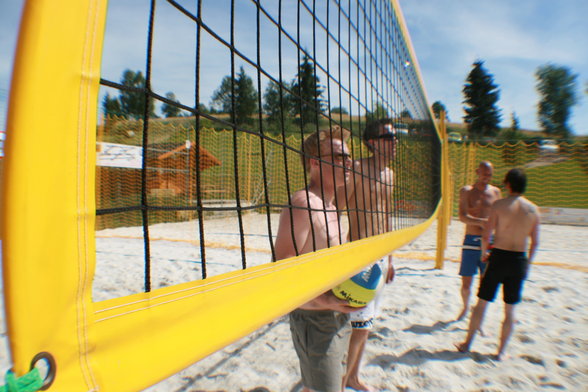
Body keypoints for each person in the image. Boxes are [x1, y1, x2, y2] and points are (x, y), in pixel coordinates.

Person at [275, 126, 357, 392]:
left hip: (335, 314)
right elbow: (282, 274)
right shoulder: (302, 203)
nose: (348, 162)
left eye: (348, 156)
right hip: (315, 318)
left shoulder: (331, 205)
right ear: (314, 163)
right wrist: (326, 301)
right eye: (338, 157)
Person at [337, 119, 397, 392]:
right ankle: (342, 378)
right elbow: (336, 210)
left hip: (380, 258)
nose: (395, 141)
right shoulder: (357, 169)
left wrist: (391, 258)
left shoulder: (390, 174)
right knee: (357, 325)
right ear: (372, 141)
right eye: (389, 137)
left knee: (367, 324)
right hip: (357, 256)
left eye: (395, 137)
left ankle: (352, 377)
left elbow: (387, 217)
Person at [456, 168, 540, 360]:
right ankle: (501, 352)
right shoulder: (533, 209)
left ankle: (467, 344)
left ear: (508, 184)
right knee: (510, 309)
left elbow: (487, 235)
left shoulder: (499, 205)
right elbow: (535, 242)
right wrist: (528, 264)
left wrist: (485, 253)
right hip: (518, 259)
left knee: (482, 303)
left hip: (499, 256)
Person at [456, 161, 501, 321]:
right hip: (470, 240)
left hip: (488, 242)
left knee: (485, 283)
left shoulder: (495, 192)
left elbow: (499, 217)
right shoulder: (467, 191)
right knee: (466, 283)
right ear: (477, 172)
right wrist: (480, 222)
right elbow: (461, 216)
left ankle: (479, 314)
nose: (487, 178)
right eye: (484, 174)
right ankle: (465, 308)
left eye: (489, 175)